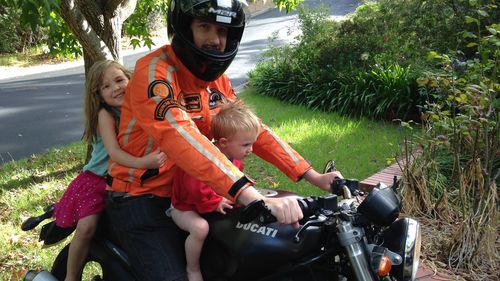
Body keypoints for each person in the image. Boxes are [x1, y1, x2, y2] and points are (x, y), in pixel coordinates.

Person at [105, 0, 342, 280]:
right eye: (204, 27)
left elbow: (253, 130)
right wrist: (249, 195)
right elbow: (178, 135)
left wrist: (312, 175)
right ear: (184, 28)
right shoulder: (155, 72)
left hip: (197, 194)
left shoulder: (215, 82)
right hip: (142, 199)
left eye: (222, 30)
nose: (215, 40)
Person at [52, 60, 167, 281]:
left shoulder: (140, 107)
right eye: (106, 86)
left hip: (122, 179)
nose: (115, 88)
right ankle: (71, 276)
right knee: (87, 227)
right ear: (99, 95)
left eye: (119, 80)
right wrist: (145, 162)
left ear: (130, 78)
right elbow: (113, 152)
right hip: (96, 180)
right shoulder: (107, 114)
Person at [170, 100, 260, 281]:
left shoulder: (234, 160)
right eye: (245, 145)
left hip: (205, 203)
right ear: (224, 142)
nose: (250, 149)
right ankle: (192, 269)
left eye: (252, 144)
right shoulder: (203, 159)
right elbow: (195, 189)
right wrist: (216, 201)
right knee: (200, 228)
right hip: (185, 207)